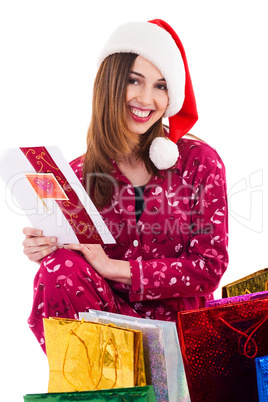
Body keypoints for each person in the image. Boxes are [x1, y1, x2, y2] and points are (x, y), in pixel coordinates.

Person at [23, 19, 228, 353]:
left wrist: (114, 268)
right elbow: (67, 276)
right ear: (111, 83)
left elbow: (209, 267)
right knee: (58, 266)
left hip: (182, 339)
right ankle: (91, 385)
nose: (147, 99)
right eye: (135, 81)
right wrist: (46, 247)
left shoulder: (198, 162)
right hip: (109, 340)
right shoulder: (74, 175)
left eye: (161, 86)